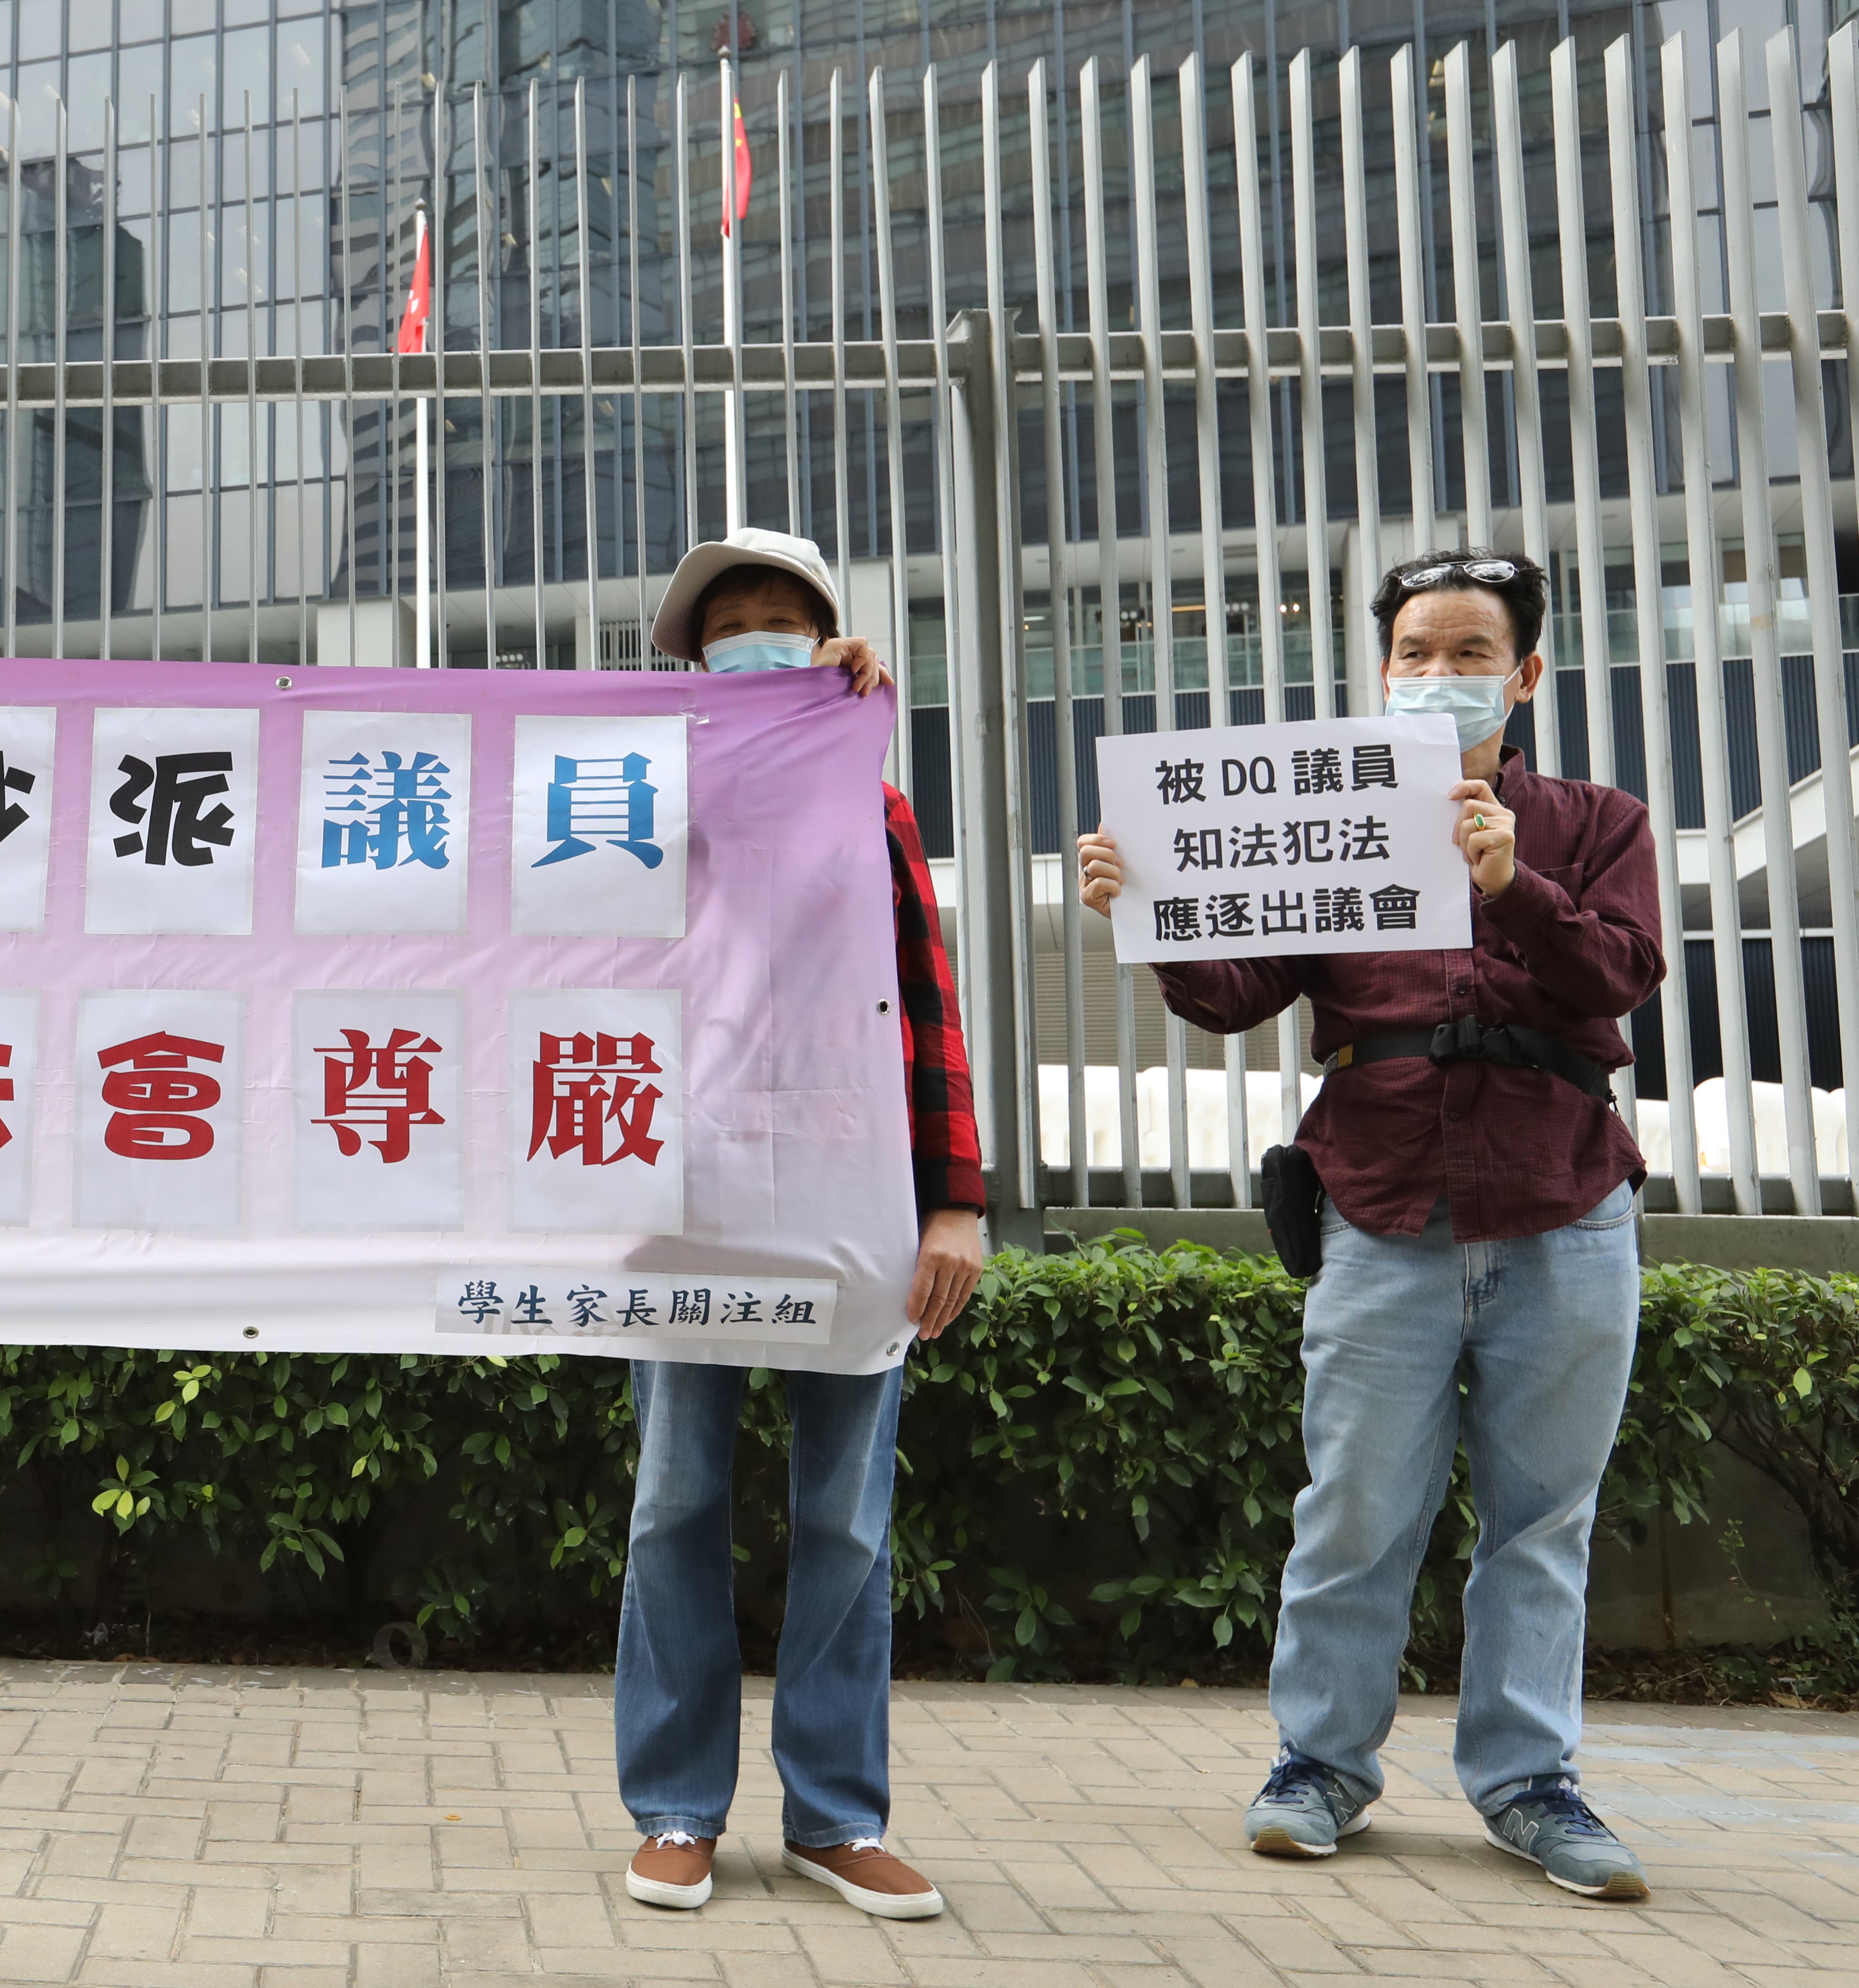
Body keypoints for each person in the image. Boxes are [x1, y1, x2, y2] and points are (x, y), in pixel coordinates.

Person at [1074, 548, 1663, 1902]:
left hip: (1564, 1200)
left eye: (1471, 654)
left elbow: (1623, 973)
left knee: (1543, 1522)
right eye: (1415, 653)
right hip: (1381, 1202)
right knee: (1354, 1507)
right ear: (1381, 672)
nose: (1438, 675)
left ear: (1525, 675)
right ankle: (1320, 1766)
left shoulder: (1597, 821)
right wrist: (1150, 904)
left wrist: (1515, 884)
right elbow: (1237, 993)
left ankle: (1530, 1783)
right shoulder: (1330, 811)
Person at [614, 526, 989, 1921]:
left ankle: (838, 1814)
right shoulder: (636, 793)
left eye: (784, 622)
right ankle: (675, 1807)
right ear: (689, 660)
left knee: (847, 1515)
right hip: (680, 1196)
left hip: (852, 1196)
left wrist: (955, 1201)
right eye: (729, 629)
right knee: (675, 1501)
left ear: (830, 644)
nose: (756, 643)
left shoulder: (873, 802)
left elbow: (924, 998)